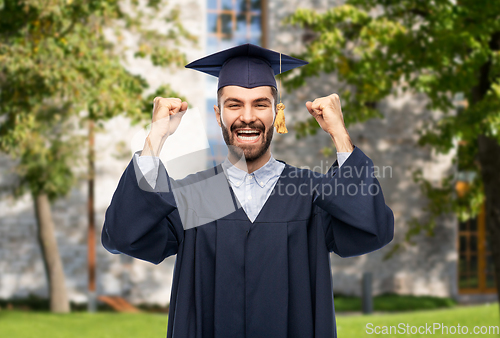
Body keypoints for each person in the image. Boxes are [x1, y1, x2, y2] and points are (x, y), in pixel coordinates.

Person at [101, 44, 394, 338]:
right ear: (218, 115)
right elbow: (123, 235)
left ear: (276, 113)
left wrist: (340, 134)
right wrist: (155, 137)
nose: (248, 116)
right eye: (234, 104)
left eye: (261, 104)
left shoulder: (311, 194)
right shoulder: (198, 196)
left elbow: (373, 229)